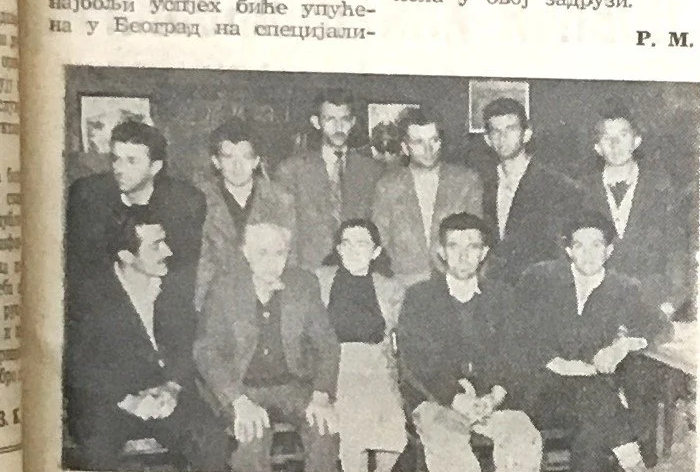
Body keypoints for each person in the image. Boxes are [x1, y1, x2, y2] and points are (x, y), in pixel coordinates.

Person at [394, 215, 541, 472]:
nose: (463, 256)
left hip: (490, 401)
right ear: (441, 252)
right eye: (454, 247)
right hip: (438, 401)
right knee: (451, 453)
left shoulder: (503, 296)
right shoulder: (420, 298)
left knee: (524, 438)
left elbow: (515, 353)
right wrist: (456, 397)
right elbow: (418, 361)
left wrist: (495, 395)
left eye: (472, 247)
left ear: (484, 253)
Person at [512, 214, 656, 472]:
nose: (588, 254)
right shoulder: (541, 280)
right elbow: (519, 333)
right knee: (597, 398)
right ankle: (635, 462)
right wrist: (560, 364)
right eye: (580, 246)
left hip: (594, 400)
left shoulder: (624, 288)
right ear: (569, 250)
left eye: (596, 245)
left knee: (591, 438)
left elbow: (658, 326)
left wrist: (621, 346)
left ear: (609, 250)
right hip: (546, 391)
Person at [194, 218, 340, 472]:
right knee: (251, 438)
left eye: (279, 253)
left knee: (324, 429)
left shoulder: (303, 284)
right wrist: (238, 400)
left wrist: (321, 394)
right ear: (246, 253)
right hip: (241, 386)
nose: (272, 261)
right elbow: (206, 350)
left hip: (291, 384)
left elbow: (327, 344)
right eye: (262, 252)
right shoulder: (224, 288)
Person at [64, 219, 206, 470]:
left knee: (208, 436)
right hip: (110, 402)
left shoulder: (173, 289)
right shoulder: (89, 298)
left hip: (165, 397)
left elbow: (188, 348)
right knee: (97, 452)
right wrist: (130, 401)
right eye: (156, 246)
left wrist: (172, 388)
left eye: (165, 241)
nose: (168, 251)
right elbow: (81, 370)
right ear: (126, 255)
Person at [65, 116, 205, 307]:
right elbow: (81, 269)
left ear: (155, 167)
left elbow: (182, 274)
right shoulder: (87, 195)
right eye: (115, 158)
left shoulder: (184, 203)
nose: (119, 169)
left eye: (132, 161)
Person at [322, 218, 409, 472]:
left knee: (392, 430)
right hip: (336, 363)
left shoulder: (391, 288)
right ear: (338, 249)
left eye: (362, 244)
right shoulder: (320, 281)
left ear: (376, 251)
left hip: (377, 364)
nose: (353, 250)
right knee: (353, 424)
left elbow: (396, 339)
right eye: (346, 244)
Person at [587, 108, 689, 318]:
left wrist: (671, 302)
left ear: (636, 141)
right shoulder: (583, 190)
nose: (615, 145)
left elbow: (676, 249)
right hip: (599, 307)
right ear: (597, 147)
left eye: (623, 135)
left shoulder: (661, 187)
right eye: (607, 138)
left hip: (652, 304)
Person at [271, 88, 382, 274]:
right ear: (316, 122)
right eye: (330, 119)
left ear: (353, 122)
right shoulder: (292, 170)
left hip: (358, 272)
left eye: (345, 120)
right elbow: (284, 232)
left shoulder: (371, 171)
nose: (338, 128)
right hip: (309, 272)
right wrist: (294, 277)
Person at [475, 96, 584, 286]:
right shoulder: (481, 184)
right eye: (496, 131)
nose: (503, 137)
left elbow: (561, 253)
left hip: (539, 292)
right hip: (495, 292)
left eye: (511, 129)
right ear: (487, 139)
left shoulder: (557, 186)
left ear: (526, 134)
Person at [372, 108, 484, 282]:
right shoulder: (388, 186)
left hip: (454, 283)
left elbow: (477, 238)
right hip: (403, 284)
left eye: (434, 140)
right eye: (418, 142)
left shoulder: (466, 181)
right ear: (405, 147)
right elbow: (380, 241)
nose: (428, 149)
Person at [193, 119, 276, 310]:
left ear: (256, 161)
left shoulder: (280, 200)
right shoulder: (197, 200)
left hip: (265, 301)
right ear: (216, 161)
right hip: (213, 304)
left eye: (245, 157)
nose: (237, 166)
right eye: (228, 157)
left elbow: (290, 259)